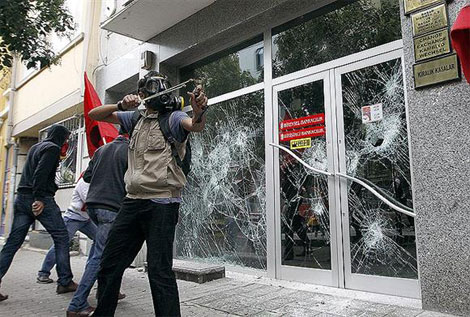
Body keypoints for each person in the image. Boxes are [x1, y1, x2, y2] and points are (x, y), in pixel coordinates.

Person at [89, 71, 208, 316]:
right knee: (109, 265)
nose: (158, 92)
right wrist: (121, 104)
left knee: (159, 271)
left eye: (162, 87)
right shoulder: (135, 119)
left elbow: (194, 126)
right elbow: (94, 115)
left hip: (162, 204)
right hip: (132, 202)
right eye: (152, 88)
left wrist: (198, 111)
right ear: (142, 94)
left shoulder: (173, 118)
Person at [0, 124, 77, 302]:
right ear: (60, 138)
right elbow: (41, 174)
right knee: (61, 237)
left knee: (13, 243)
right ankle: (65, 281)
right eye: (65, 139)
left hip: (22, 197)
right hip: (40, 198)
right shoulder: (52, 149)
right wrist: (40, 198)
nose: (66, 143)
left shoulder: (36, 147)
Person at [66, 131, 129, 317]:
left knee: (102, 252)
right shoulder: (130, 151)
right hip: (110, 208)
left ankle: (105, 292)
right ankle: (77, 304)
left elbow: (87, 177)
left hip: (93, 207)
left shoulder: (101, 150)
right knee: (100, 256)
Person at [37, 176, 97, 284]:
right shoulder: (84, 182)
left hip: (86, 219)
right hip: (73, 218)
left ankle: (91, 268)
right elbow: (90, 202)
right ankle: (43, 273)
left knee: (99, 239)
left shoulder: (96, 182)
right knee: (60, 244)